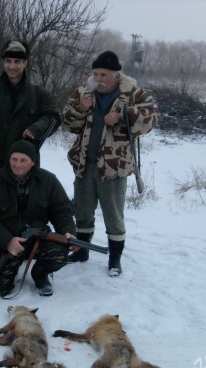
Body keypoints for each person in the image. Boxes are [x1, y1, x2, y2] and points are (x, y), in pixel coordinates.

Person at [62, 51, 159, 276]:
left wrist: (124, 114)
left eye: (103, 74)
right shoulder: (82, 92)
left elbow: (152, 116)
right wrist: (81, 109)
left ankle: (115, 260)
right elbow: (67, 121)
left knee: (114, 215)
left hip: (114, 168)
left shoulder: (133, 93)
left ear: (116, 76)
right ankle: (82, 251)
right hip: (84, 164)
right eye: (95, 74)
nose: (98, 79)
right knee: (83, 212)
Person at [0, 140, 76, 297]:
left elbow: (62, 210)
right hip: (5, 240)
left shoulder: (48, 181)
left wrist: (68, 231)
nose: (17, 164)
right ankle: (8, 267)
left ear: (33, 162)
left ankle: (40, 275)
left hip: (37, 238)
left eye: (23, 160)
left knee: (59, 253)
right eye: (14, 159)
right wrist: (7, 241)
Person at [0, 40, 61, 181]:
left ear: (25, 63)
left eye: (17, 61)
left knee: (25, 203)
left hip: (26, 169)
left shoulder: (39, 94)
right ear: (4, 63)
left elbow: (53, 118)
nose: (12, 66)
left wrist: (37, 128)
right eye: (8, 61)